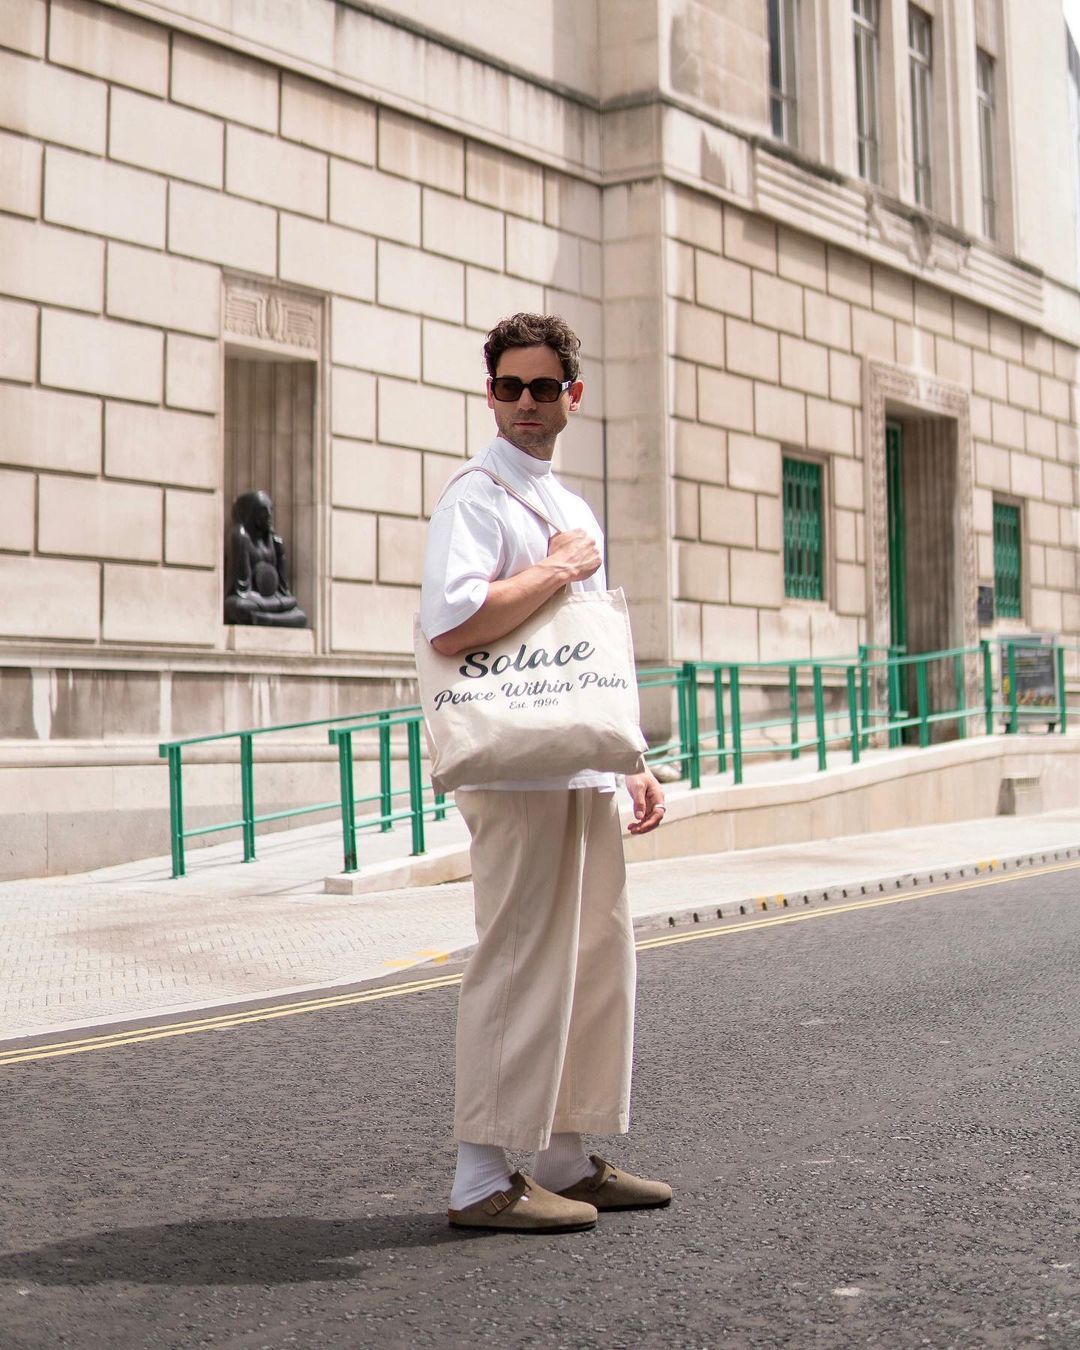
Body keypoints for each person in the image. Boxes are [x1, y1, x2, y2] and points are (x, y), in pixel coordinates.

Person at [419, 312, 671, 1234]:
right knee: (521, 960)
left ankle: (566, 1157)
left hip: (575, 766)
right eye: (508, 387)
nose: (525, 403)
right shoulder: (477, 497)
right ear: (490, 395)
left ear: (574, 395)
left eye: (542, 387)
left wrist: (627, 759)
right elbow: (453, 622)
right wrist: (559, 569)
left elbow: (587, 654)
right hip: (514, 771)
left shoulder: (569, 504)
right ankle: (480, 1178)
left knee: (594, 961)